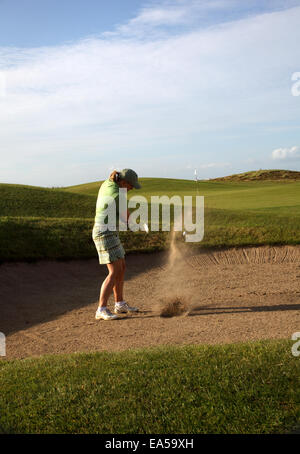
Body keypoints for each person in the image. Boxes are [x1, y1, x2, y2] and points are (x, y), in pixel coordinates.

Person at [92, 168, 141, 320]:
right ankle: (101, 308)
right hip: (104, 232)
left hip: (109, 230)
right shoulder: (118, 195)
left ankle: (119, 303)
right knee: (114, 271)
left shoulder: (109, 182)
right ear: (124, 183)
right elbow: (127, 220)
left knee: (122, 267)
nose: (132, 189)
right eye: (131, 186)